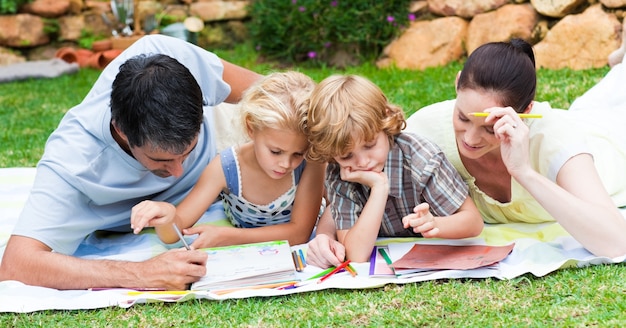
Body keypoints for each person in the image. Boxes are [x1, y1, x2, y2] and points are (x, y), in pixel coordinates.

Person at [308, 38, 626, 268]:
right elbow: (350, 184)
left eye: (490, 127)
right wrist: (323, 235)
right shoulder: (425, 131)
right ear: (458, 83)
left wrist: (524, 171)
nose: (471, 139)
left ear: (526, 111)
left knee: (611, 105)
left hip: (614, 144)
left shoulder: (555, 139)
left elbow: (616, 243)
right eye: (462, 117)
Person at [0, 34, 262, 290]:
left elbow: (273, 93)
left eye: (187, 152)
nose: (177, 171)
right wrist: (141, 273)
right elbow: (17, 264)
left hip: (222, 137)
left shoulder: (167, 54)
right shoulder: (72, 163)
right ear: (122, 131)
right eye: (161, 160)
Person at [129, 71, 326, 248]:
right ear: (251, 128)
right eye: (275, 151)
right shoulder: (227, 167)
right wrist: (166, 216)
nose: (286, 164)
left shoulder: (311, 162)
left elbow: (299, 233)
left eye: (297, 153)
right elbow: (174, 233)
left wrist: (230, 236)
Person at [304, 74, 483, 262]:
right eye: (347, 155)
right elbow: (356, 254)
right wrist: (379, 189)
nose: (363, 162)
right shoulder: (340, 173)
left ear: (386, 124)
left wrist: (435, 223)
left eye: (370, 145)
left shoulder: (421, 159)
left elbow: (473, 222)